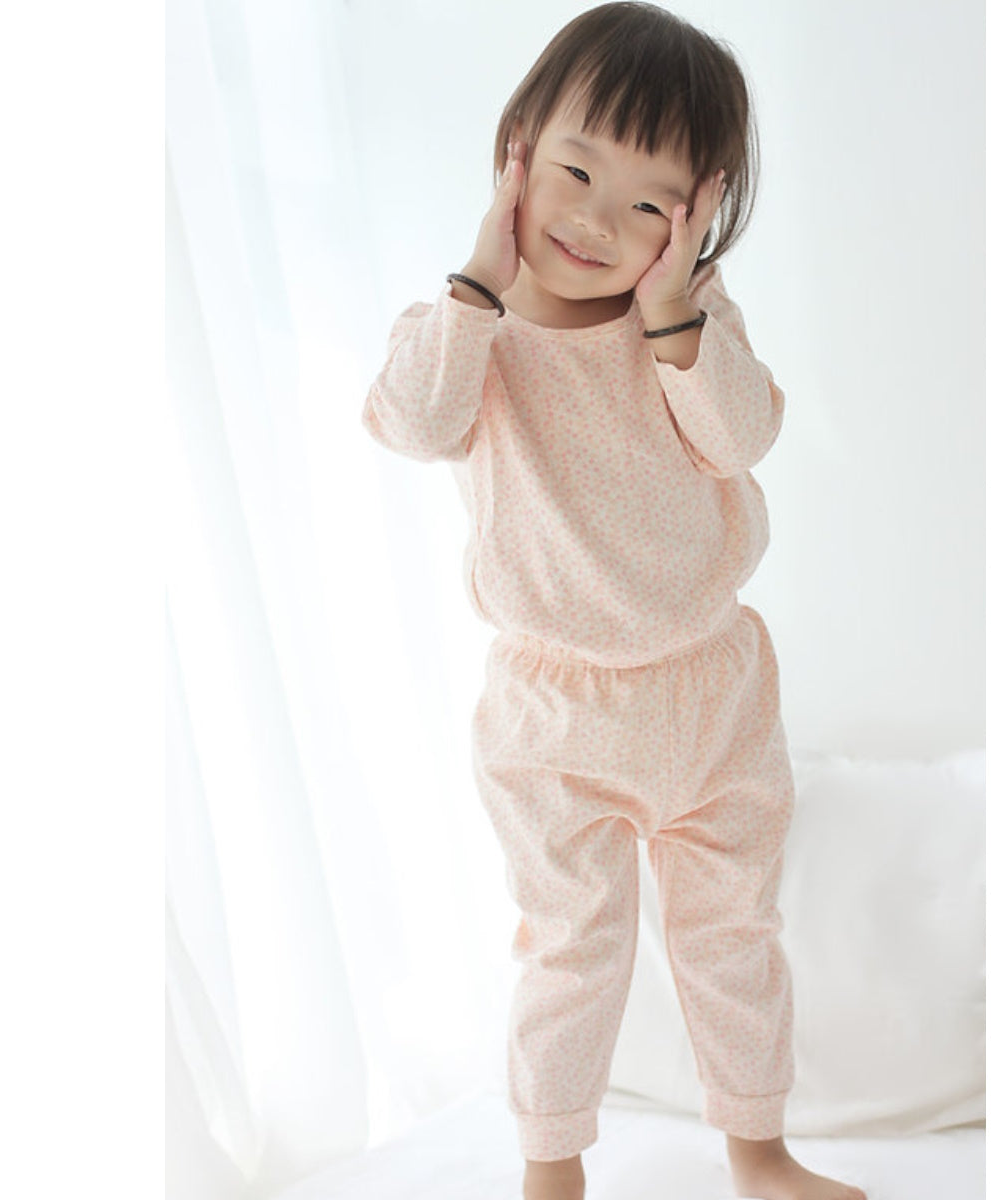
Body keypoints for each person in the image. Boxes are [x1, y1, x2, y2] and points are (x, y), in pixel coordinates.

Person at [361, 5, 867, 1198]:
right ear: (518, 152)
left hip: (712, 687)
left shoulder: (688, 320)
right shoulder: (465, 333)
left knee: (733, 933)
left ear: (699, 214)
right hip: (558, 715)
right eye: (577, 171)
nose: (596, 220)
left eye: (649, 204)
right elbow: (413, 423)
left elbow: (741, 436)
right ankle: (553, 1168)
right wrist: (477, 284)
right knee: (572, 951)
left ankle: (760, 1152)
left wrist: (677, 309)